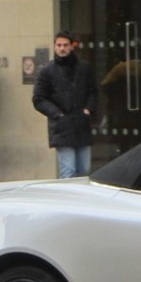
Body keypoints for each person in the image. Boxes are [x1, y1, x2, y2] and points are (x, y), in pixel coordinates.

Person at [32, 30, 97, 178]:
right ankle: (69, 200)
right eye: (59, 45)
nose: (62, 48)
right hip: (62, 127)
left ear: (71, 46)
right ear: (54, 47)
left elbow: (93, 91)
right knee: (68, 170)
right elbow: (38, 98)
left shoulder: (84, 68)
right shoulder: (47, 71)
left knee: (84, 170)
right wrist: (57, 114)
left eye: (65, 45)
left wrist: (88, 109)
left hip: (81, 124)